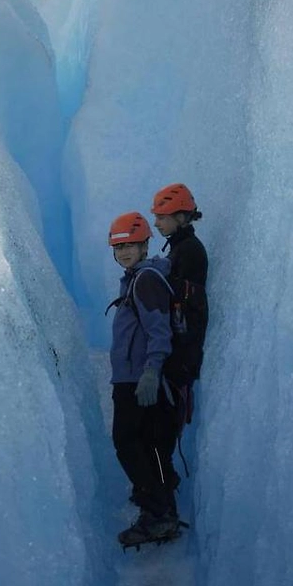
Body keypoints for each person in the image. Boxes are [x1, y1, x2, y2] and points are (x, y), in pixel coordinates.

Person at [106, 211, 183, 546]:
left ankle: (156, 512)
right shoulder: (137, 278)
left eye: (131, 245)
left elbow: (158, 329)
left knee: (128, 443)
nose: (124, 252)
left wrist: (151, 372)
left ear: (144, 243)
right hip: (133, 378)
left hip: (138, 381)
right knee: (148, 447)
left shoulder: (146, 280)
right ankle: (160, 510)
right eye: (118, 247)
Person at [151, 183, 209, 412]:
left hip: (181, 357)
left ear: (181, 217)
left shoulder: (189, 251)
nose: (156, 223)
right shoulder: (181, 248)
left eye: (161, 217)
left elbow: (186, 308)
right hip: (181, 354)